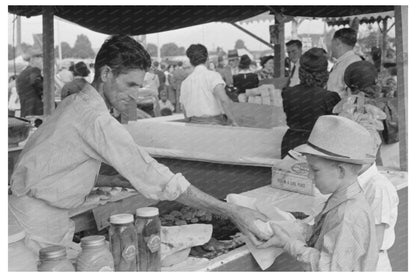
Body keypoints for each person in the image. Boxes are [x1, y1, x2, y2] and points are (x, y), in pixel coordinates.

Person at [9, 35, 267, 256]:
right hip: (34, 225)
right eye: (130, 84)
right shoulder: (97, 119)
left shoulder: (76, 102)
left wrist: (114, 180)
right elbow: (160, 178)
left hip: (36, 214)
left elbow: (61, 166)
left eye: (139, 86)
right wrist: (231, 211)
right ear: (106, 73)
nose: (135, 94)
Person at [258, 115, 379, 271]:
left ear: (340, 171)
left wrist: (289, 244)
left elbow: (330, 269)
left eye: (315, 170)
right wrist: (291, 230)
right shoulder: (342, 200)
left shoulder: (347, 214)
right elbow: (324, 236)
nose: (309, 175)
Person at [281, 48, 341, 158]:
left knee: (288, 174)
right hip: (317, 145)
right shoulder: (329, 97)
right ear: (324, 73)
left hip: (290, 143)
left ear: (301, 71)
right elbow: (335, 127)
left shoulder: (287, 92)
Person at [180, 43, 238, 126]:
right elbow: (224, 100)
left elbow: (184, 108)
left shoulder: (185, 82)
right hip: (214, 124)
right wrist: (233, 120)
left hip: (193, 125)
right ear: (207, 58)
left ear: (191, 61)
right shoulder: (213, 76)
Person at [327, 28, 362, 98]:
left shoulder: (352, 63)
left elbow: (353, 96)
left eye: (331, 42)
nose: (329, 46)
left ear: (337, 42)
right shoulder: (343, 62)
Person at [16, 48, 44, 117]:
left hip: (25, 110)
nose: (43, 62)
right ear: (34, 59)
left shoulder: (22, 73)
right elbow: (36, 82)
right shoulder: (34, 70)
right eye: (42, 59)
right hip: (36, 111)